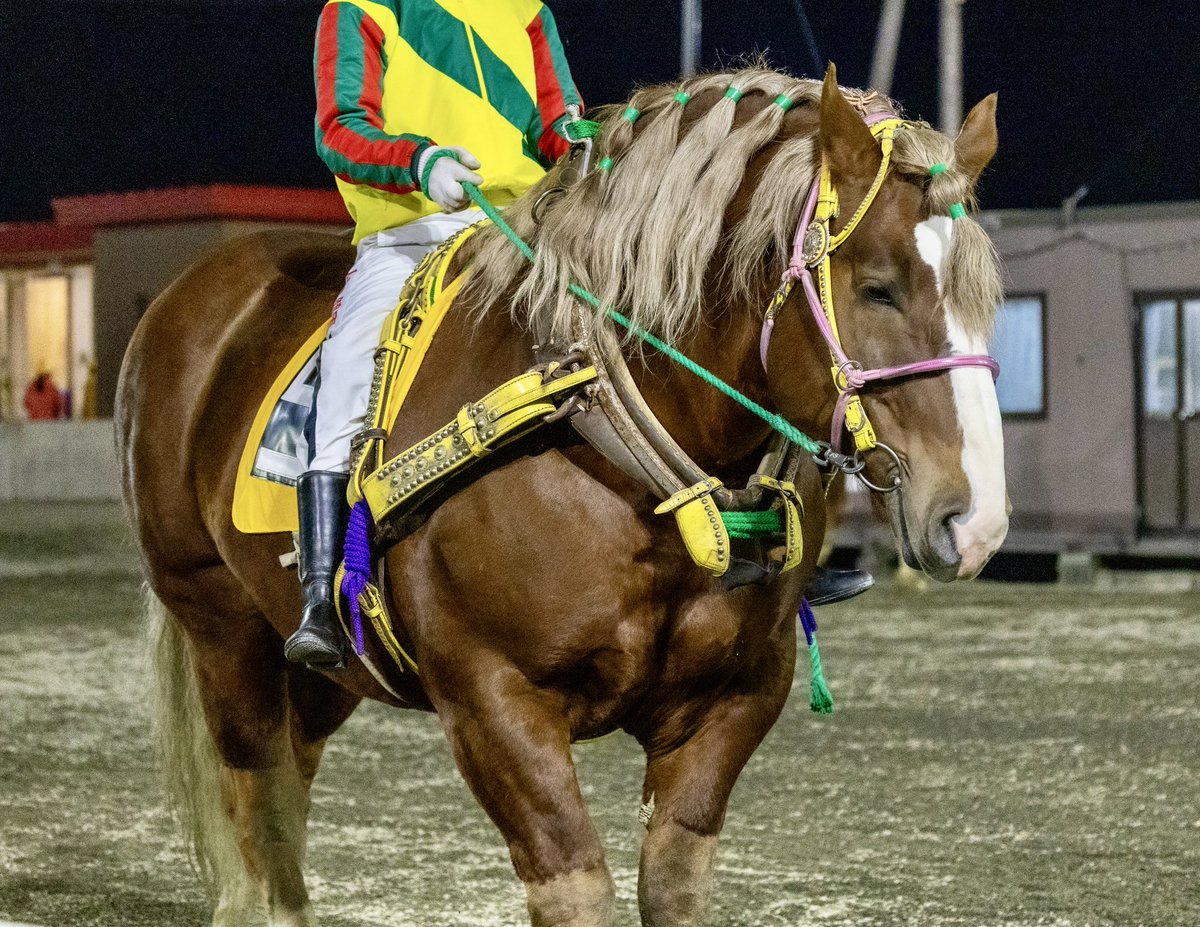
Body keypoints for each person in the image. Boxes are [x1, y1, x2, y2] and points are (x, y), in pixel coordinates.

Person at [287, 0, 585, 668]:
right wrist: (419, 163)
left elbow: (559, 118)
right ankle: (321, 595)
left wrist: (589, 150)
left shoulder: (526, 10)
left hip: (532, 232)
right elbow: (339, 129)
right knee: (347, 386)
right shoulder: (358, 9)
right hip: (408, 236)